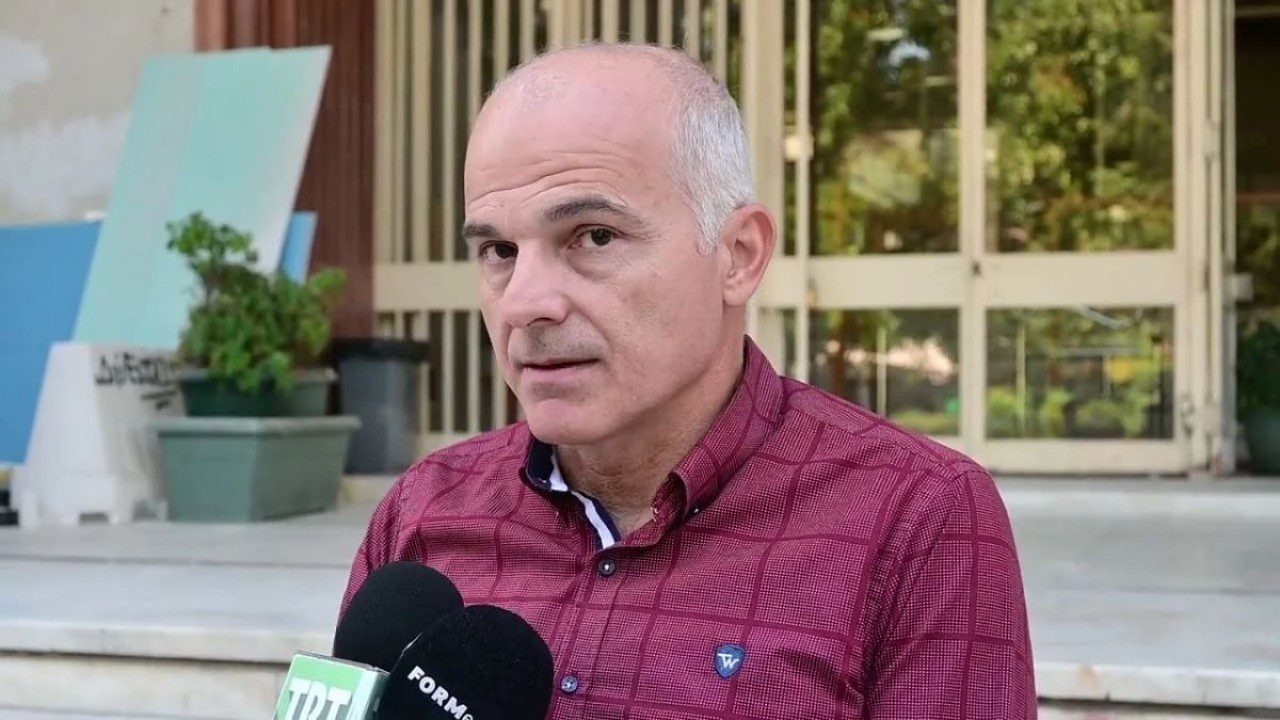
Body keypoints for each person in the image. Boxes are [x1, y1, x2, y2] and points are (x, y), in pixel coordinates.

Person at [343, 43, 1036, 718]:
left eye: (594, 236)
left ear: (739, 255)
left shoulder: (916, 520)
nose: (525, 302)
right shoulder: (423, 512)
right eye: (498, 250)